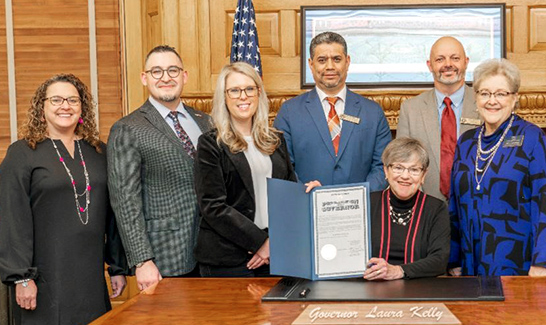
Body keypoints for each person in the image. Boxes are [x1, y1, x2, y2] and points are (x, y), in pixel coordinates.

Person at [0, 74, 127, 325]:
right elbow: (12, 216)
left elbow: (112, 215)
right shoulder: (24, 152)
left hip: (88, 270)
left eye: (72, 100)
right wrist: (22, 275)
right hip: (43, 271)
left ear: (82, 107)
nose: (65, 106)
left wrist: (117, 265)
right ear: (42, 106)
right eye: (56, 100)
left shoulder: (97, 151)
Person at [107, 45, 212, 290]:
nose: (166, 77)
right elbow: (125, 201)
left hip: (211, 254)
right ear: (145, 78)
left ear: (184, 76)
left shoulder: (206, 121)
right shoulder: (128, 128)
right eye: (156, 71)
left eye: (172, 70)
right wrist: (142, 259)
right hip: (165, 257)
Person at [449, 58, 546, 276]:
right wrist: (454, 258)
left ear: (514, 98)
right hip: (472, 259)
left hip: (519, 260)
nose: (492, 101)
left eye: (500, 93)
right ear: (476, 97)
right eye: (485, 93)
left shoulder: (531, 137)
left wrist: (542, 262)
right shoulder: (467, 142)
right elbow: (455, 206)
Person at [194, 62, 296, 277]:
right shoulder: (211, 143)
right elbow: (213, 206)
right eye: (235, 90)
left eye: (250, 89)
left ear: (259, 93)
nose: (243, 96)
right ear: (224, 97)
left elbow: (288, 194)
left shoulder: (276, 140)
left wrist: (306, 192)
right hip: (228, 259)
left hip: (275, 253)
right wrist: (260, 242)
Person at [274, 31, 392, 191]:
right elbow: (283, 167)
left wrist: (358, 195)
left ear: (347, 62)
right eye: (322, 60)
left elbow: (383, 165)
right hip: (307, 207)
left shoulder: (373, 112)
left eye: (337, 59)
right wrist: (306, 192)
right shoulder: (289, 112)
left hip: (361, 209)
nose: (330, 66)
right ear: (311, 64)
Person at [397, 36, 480, 201]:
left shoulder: (485, 104)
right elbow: (403, 164)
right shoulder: (410, 109)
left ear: (466, 62)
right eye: (440, 59)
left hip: (478, 207)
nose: (448, 64)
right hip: (426, 209)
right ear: (430, 65)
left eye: (455, 58)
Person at [363, 138, 450, 280]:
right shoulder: (367, 203)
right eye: (398, 168)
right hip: (370, 288)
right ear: (386, 171)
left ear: (423, 175)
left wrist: (398, 271)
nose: (405, 176)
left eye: (414, 170)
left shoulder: (436, 209)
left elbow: (439, 260)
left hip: (419, 291)